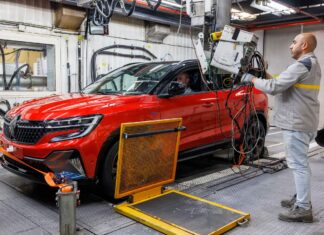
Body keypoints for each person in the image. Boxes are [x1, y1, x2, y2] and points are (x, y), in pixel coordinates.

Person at [242, 33, 321, 223]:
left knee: (298, 165)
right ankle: (302, 199)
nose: (290, 45)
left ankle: (303, 208)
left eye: (293, 42)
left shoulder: (303, 64)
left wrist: (251, 79)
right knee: (300, 164)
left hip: (297, 123)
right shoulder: (309, 64)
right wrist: (264, 73)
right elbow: (282, 81)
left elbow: (275, 86)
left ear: (304, 45)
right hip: (303, 121)